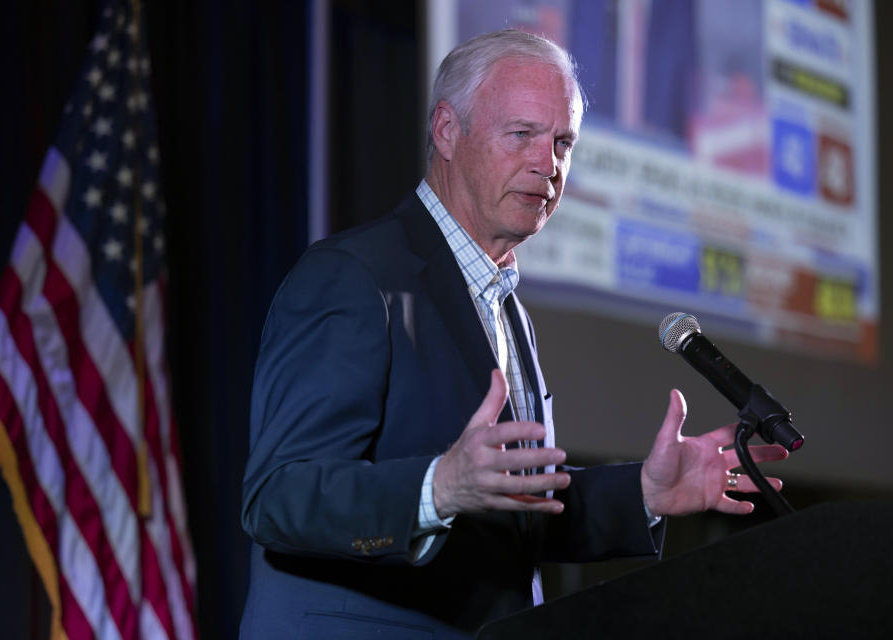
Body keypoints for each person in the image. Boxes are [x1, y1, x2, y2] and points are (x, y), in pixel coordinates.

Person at [239, 29, 787, 639]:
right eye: (522, 134)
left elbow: (511, 511)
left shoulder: (505, 306)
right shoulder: (353, 276)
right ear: (447, 131)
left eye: (562, 142)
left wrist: (646, 491)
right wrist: (438, 487)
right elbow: (279, 495)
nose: (546, 164)